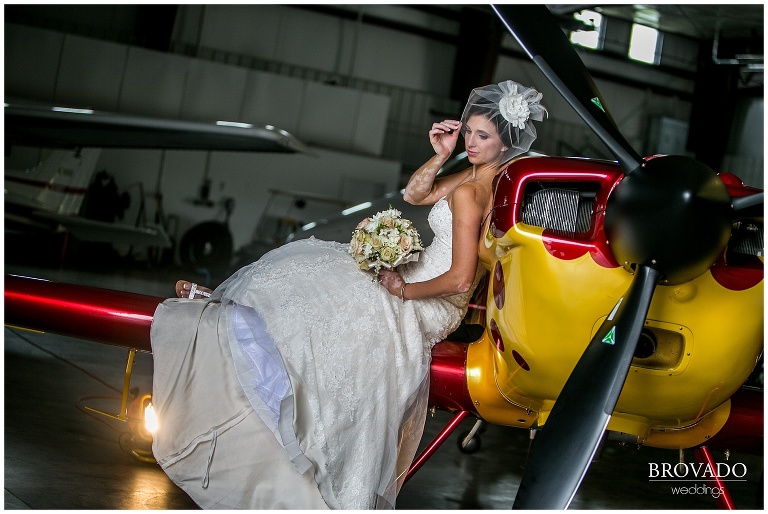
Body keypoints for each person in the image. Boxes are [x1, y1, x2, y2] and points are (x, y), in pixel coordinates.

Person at [151, 80, 546, 510]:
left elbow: (458, 279)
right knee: (330, 271)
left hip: (431, 296)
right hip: (424, 280)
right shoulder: (483, 181)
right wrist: (440, 154)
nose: (469, 141)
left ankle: (239, 315)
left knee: (341, 293)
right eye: (467, 131)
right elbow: (415, 194)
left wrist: (403, 287)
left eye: (481, 135)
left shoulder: (471, 192)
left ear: (505, 141)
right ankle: (242, 311)